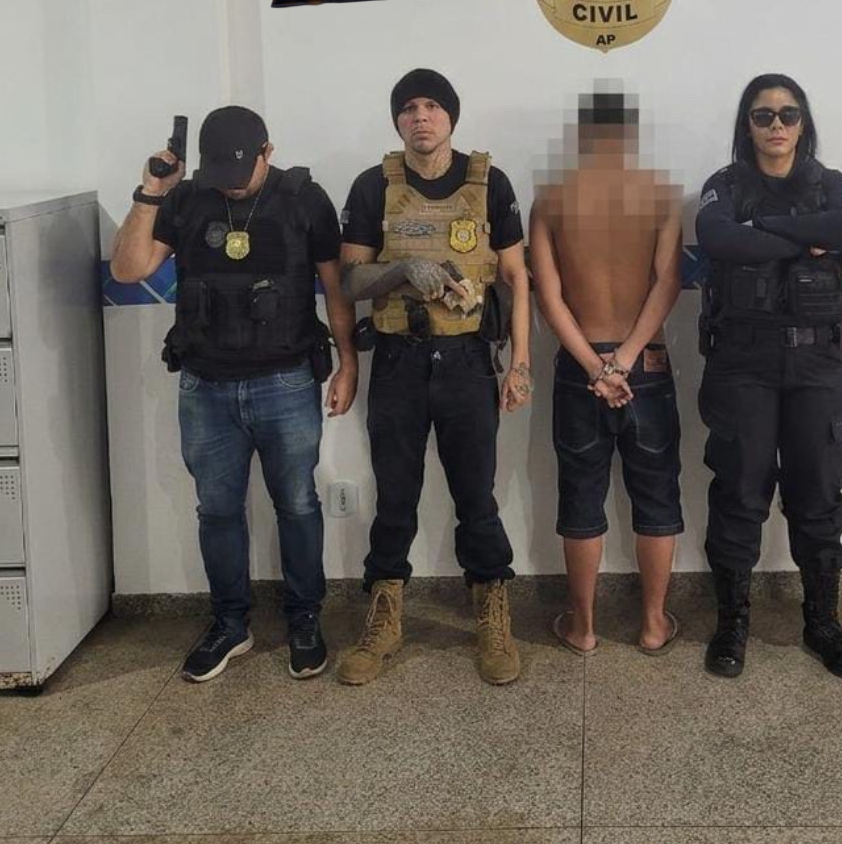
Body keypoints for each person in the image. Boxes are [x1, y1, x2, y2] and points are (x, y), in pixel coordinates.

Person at [110, 105, 357, 683]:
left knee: (298, 504)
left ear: (268, 151)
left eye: (242, 170)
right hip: (205, 385)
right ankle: (229, 624)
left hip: (285, 381)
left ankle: (304, 619)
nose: (231, 183)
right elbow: (128, 269)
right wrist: (151, 192)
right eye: (220, 171)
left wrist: (348, 363)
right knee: (217, 511)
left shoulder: (304, 199)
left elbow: (335, 289)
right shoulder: (186, 198)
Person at [336, 69, 532, 687]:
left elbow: (515, 278)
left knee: (477, 496)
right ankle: (384, 618)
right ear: (397, 120)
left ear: (450, 116)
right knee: (395, 495)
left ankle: (492, 612)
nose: (420, 117)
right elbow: (350, 280)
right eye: (409, 108)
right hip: (399, 361)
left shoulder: (490, 183)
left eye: (432, 106)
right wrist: (402, 270)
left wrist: (520, 364)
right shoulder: (373, 186)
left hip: (468, 361)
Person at [695, 74, 842, 681]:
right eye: (763, 115)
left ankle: (823, 623)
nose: (776, 125)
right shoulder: (724, 186)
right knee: (739, 492)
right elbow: (718, 238)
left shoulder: (831, 184)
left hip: (818, 365)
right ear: (747, 125)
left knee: (819, 495)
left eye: (788, 115)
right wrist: (804, 236)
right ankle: (731, 624)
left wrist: (766, 233)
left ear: (803, 123)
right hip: (742, 363)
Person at [530, 88, 683, 656]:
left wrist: (597, 367)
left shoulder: (551, 200)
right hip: (647, 363)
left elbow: (549, 299)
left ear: (581, 137)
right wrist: (625, 359)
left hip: (581, 369)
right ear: (631, 136)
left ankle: (583, 627)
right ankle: (653, 624)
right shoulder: (661, 196)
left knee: (581, 497)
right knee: (657, 496)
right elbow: (667, 284)